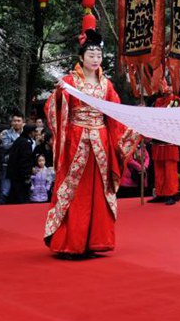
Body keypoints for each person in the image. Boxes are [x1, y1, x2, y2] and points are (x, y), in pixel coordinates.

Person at [43, 29, 140, 257]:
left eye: (98, 56)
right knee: (75, 190)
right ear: (81, 58)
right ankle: (70, 242)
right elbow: (52, 108)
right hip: (76, 140)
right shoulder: (69, 81)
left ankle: (96, 241)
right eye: (91, 56)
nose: (95, 60)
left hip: (101, 142)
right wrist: (59, 94)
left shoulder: (107, 85)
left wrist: (135, 124)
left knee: (98, 190)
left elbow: (116, 113)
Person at [149, 77, 180, 205]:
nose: (165, 86)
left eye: (168, 84)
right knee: (158, 168)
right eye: (163, 84)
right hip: (157, 138)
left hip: (169, 138)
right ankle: (160, 192)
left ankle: (172, 193)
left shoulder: (175, 100)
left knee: (170, 168)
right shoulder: (157, 101)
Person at [0, 111, 25, 203]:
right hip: (8, 164)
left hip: (22, 165)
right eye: (14, 121)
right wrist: (20, 142)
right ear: (11, 122)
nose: (16, 123)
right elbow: (6, 146)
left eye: (18, 121)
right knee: (5, 189)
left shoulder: (26, 133)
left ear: (22, 122)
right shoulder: (6, 133)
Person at [7, 124, 38, 204]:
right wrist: (27, 173)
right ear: (30, 133)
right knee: (21, 198)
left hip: (14, 174)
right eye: (34, 131)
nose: (36, 133)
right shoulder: (25, 143)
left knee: (14, 196)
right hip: (20, 176)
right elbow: (25, 160)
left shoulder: (19, 140)